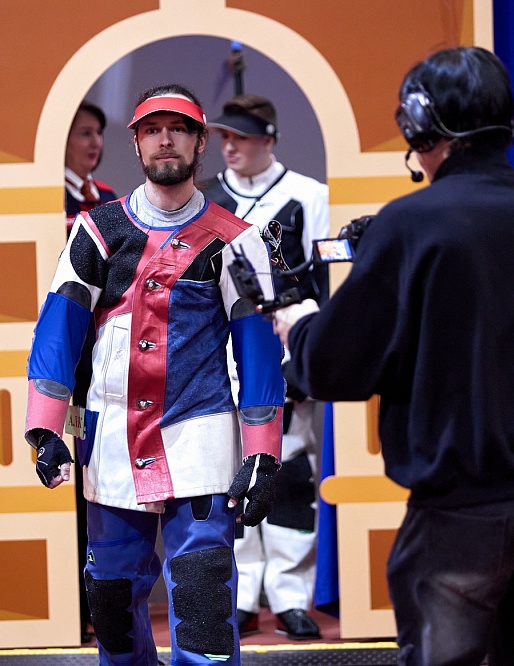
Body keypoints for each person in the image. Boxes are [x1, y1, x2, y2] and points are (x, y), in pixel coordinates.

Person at [273, 47, 514, 666]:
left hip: (463, 511)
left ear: (418, 125)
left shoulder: (410, 225)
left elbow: (333, 367)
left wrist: (299, 325)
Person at [26, 83, 286, 666]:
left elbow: (260, 354)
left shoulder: (240, 240)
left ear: (199, 141)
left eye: (178, 128)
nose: (164, 140)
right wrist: (45, 428)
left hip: (200, 442)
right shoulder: (96, 231)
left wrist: (263, 453)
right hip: (112, 442)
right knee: (112, 607)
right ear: (137, 143)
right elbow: (58, 330)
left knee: (203, 603)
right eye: (151, 129)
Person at [202, 94, 329, 640]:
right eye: (224, 137)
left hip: (286, 351)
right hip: (221, 355)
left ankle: (291, 596)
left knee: (291, 474)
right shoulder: (205, 198)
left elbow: (324, 282)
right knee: (230, 474)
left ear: (269, 139)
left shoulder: (308, 196)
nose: (230, 147)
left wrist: (309, 358)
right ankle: (241, 594)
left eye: (242, 137)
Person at [63, 99, 118, 644]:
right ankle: (70, 602)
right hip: (65, 366)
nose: (93, 142)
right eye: (83, 132)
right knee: (68, 481)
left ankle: (96, 603)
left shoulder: (108, 200)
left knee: (97, 479)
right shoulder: (47, 201)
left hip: (102, 367)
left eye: (98, 132)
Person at [65, 101, 118, 233]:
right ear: (64, 139)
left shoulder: (107, 195)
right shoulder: (52, 197)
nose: (96, 143)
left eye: (99, 133)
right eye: (86, 133)